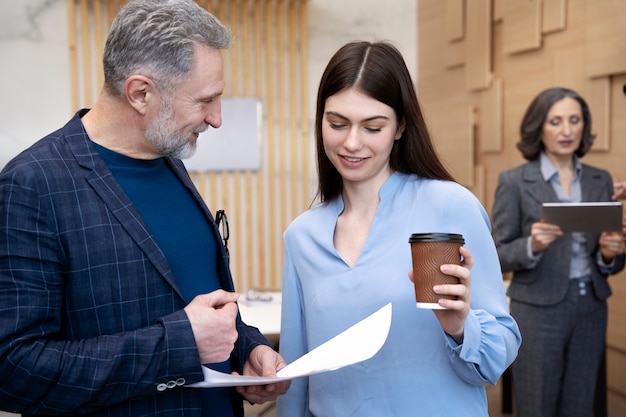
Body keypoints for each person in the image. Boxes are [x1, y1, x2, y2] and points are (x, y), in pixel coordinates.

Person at [0, 1, 290, 416]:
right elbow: (13, 370)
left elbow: (196, 304)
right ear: (140, 93)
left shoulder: (170, 161)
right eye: (205, 100)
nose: (217, 118)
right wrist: (178, 346)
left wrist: (247, 346)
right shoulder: (32, 185)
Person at [276, 41, 521, 417]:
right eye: (337, 124)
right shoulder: (302, 236)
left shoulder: (450, 208)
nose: (351, 143)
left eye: (372, 127)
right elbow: (296, 375)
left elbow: (496, 357)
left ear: (401, 126)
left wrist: (460, 327)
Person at [491, 87, 625, 417]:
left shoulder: (600, 179)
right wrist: (531, 245)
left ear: (584, 125)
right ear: (539, 127)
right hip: (537, 311)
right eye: (556, 121)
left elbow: (612, 259)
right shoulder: (514, 182)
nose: (566, 131)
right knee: (537, 404)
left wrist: (610, 253)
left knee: (581, 405)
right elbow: (497, 254)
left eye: (574, 120)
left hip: (591, 306)